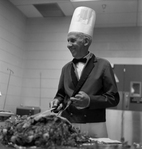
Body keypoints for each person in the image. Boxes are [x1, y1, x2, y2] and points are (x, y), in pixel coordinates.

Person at [51, 6, 120, 138]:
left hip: (95, 125)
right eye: (67, 40)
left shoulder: (103, 65)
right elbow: (61, 94)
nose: (68, 44)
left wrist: (90, 101)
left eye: (72, 40)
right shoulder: (65, 68)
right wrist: (57, 101)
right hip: (68, 123)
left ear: (86, 41)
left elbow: (114, 98)